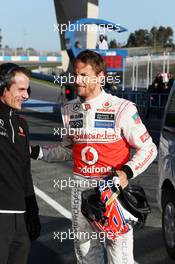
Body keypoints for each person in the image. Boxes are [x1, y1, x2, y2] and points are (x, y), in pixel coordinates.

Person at [31, 50, 157, 264]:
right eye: (75, 74)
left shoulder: (122, 108)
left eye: (83, 75)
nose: (77, 80)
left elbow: (149, 148)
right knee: (87, 259)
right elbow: (69, 150)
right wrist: (37, 152)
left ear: (100, 77)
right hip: (81, 191)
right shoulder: (69, 110)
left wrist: (126, 172)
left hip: (112, 192)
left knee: (121, 260)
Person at [0, 63, 41, 264]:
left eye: (28, 90)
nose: (26, 95)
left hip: (21, 218)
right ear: (3, 88)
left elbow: (25, 172)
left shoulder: (21, 124)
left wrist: (33, 211)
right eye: (21, 90)